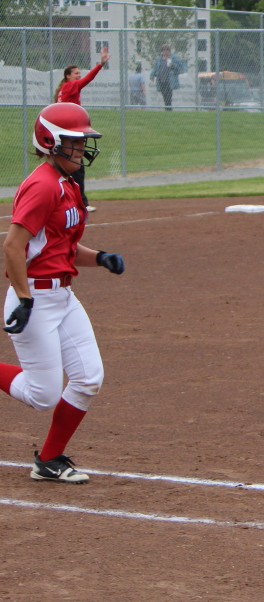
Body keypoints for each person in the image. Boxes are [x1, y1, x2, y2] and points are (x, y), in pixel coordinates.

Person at [0, 103, 125, 483]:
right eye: (74, 141)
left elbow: (60, 249)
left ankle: (49, 460)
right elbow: (13, 246)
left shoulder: (66, 183)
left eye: (83, 141)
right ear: (50, 140)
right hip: (34, 299)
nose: (81, 148)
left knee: (88, 378)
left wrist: (100, 257)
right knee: (42, 396)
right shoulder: (42, 185)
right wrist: (24, 298)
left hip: (63, 297)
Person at [53, 45, 109, 212]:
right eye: (76, 73)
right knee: (77, 168)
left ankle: (66, 200)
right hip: (70, 133)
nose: (79, 76)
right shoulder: (70, 86)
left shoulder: (63, 89)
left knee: (65, 168)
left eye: (79, 73)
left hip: (65, 132)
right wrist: (100, 64)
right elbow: (87, 79)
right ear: (68, 76)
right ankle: (81, 203)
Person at [150, 44, 187, 111]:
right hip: (161, 80)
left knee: (168, 96)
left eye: (167, 50)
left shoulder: (174, 58)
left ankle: (168, 109)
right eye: (164, 50)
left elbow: (180, 68)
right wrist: (152, 75)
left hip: (169, 81)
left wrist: (172, 65)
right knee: (164, 95)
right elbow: (155, 68)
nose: (165, 52)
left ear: (169, 51)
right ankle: (167, 108)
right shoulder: (159, 59)